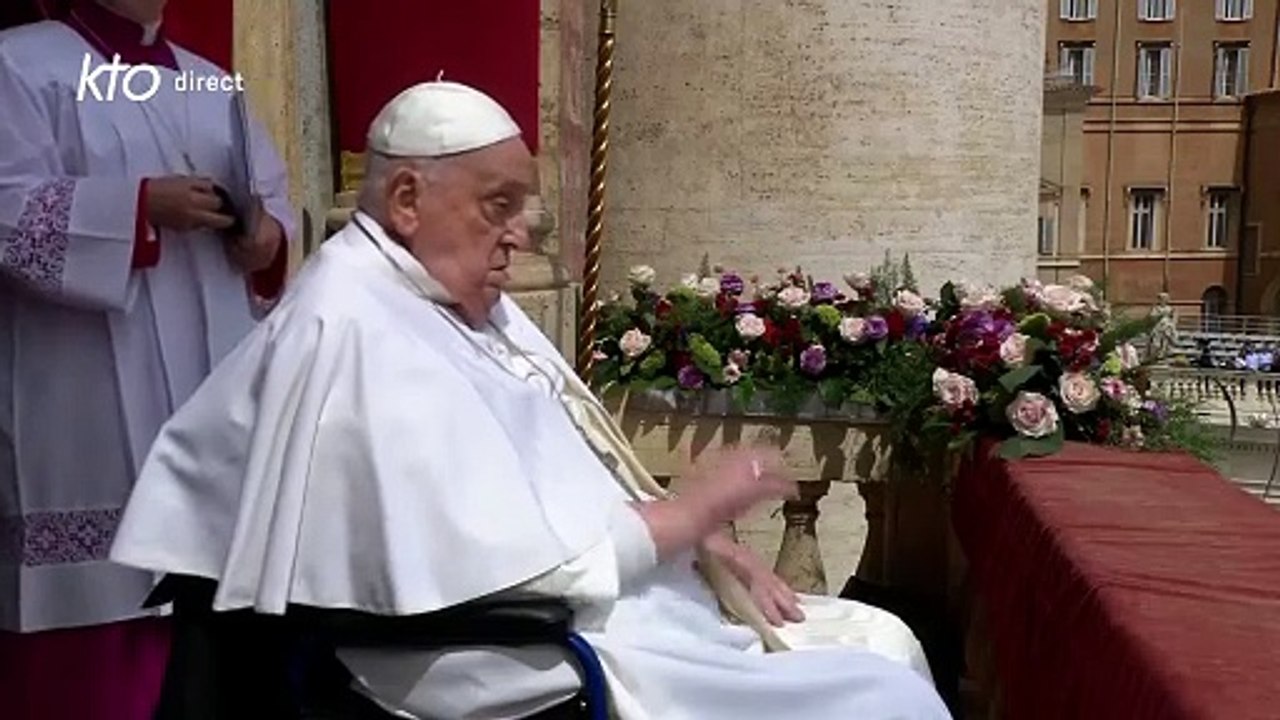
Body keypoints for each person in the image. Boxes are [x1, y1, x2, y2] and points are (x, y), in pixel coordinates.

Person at [110, 81, 948, 720]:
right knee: (881, 700)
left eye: (525, 210)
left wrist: (706, 546)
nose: (520, 235)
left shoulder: (447, 294)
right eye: (497, 207)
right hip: (494, 649)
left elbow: (551, 472)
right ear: (406, 202)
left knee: (885, 640)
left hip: (565, 607)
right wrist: (687, 517)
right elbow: (503, 564)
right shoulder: (353, 331)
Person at [0, 0, 296, 718]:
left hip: (208, 376)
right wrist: (134, 208)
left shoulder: (210, 83)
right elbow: (7, 212)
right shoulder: (20, 63)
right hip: (82, 389)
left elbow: (280, 207)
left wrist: (266, 240)